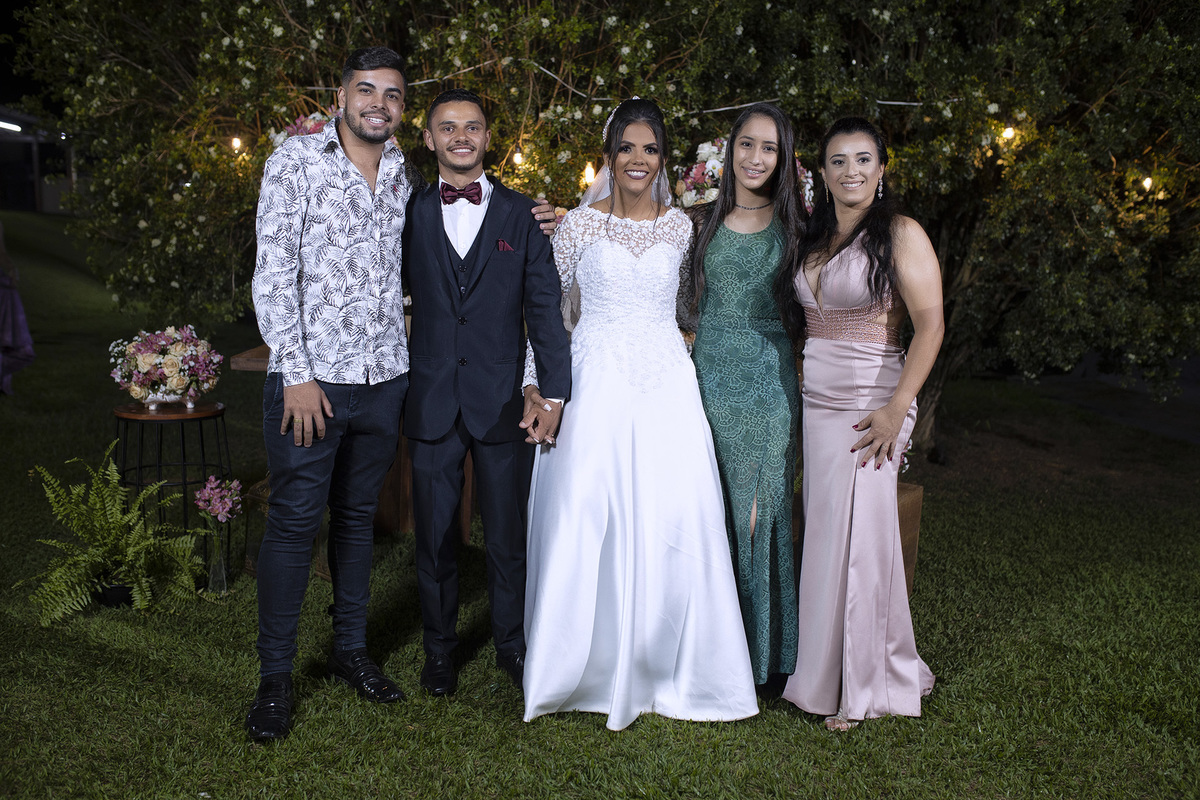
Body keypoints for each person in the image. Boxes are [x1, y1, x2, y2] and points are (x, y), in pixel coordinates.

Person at [522, 98, 759, 731]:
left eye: (649, 149)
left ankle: (668, 665)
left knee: (673, 510)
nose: (637, 159)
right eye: (626, 147)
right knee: (586, 508)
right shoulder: (576, 225)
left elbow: (697, 301)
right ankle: (581, 668)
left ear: (663, 159)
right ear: (609, 154)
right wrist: (536, 387)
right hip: (593, 376)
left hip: (665, 383)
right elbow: (548, 314)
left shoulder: (682, 228)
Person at [249, 46, 414, 742]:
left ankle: (350, 649)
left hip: (384, 381)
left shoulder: (403, 170)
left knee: (356, 520)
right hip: (311, 384)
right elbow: (272, 273)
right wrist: (296, 374)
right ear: (341, 95)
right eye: (366, 90)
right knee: (294, 523)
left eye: (393, 94)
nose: (379, 103)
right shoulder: (295, 161)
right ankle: (275, 678)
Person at [773, 116, 942, 730]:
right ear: (822, 172)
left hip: (875, 405)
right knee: (825, 538)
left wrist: (897, 409)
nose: (852, 171)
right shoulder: (813, 237)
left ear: (881, 168)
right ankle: (821, 675)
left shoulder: (900, 233)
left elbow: (931, 326)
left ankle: (865, 686)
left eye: (863, 159)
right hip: (818, 407)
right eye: (838, 160)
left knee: (864, 542)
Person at [402, 89, 571, 697]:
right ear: (429, 139)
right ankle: (439, 651)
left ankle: (512, 645)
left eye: (472, 126)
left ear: (488, 137)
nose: (461, 137)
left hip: (503, 401)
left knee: (506, 538)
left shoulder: (524, 215)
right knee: (434, 538)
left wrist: (553, 394)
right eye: (447, 127)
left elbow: (544, 308)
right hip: (431, 399)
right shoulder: (406, 211)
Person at [687, 103, 804, 689]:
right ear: (729, 150)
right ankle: (713, 653)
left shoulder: (799, 230)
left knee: (759, 511)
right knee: (712, 510)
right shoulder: (698, 222)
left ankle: (764, 658)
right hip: (706, 380)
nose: (756, 158)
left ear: (783, 159)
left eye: (770, 148)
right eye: (747, 144)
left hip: (768, 383)